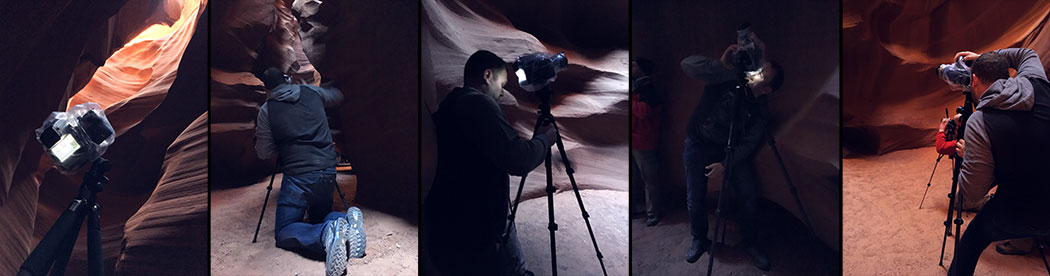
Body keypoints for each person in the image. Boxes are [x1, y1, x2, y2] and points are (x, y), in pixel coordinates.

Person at [424, 50, 557, 275]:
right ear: (487, 76)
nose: (503, 93)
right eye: (502, 85)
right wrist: (545, 140)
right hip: (473, 227)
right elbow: (518, 159)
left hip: (456, 220)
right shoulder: (476, 104)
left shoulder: (454, 101)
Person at [679, 31, 784, 271]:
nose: (755, 72)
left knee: (748, 195)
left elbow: (748, 144)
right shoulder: (725, 77)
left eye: (763, 73)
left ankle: (750, 243)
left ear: (767, 89)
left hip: (731, 152)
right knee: (694, 198)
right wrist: (720, 65)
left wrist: (725, 164)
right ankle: (699, 239)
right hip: (698, 144)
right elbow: (686, 64)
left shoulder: (761, 110)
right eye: (760, 67)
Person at [947, 48, 1050, 276]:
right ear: (1007, 75)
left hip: (1017, 213)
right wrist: (987, 55)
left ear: (973, 80)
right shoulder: (1037, 81)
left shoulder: (980, 122)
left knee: (971, 241)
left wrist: (968, 158)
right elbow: (1027, 54)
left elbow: (972, 194)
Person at [254, 67, 365, 276]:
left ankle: (327, 234)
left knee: (285, 231)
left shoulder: (267, 111)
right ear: (287, 80)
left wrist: (283, 140)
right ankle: (347, 222)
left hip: (298, 177)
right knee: (319, 216)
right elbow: (336, 96)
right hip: (328, 171)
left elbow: (263, 152)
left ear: (267, 89)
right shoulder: (312, 92)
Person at [632, 57, 665, 226]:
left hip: (644, 142)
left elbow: (643, 113)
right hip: (635, 140)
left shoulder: (650, 90)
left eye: (634, 65)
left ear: (642, 69)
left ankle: (653, 213)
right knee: (635, 178)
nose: (631, 67)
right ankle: (637, 209)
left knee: (650, 180)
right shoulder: (638, 89)